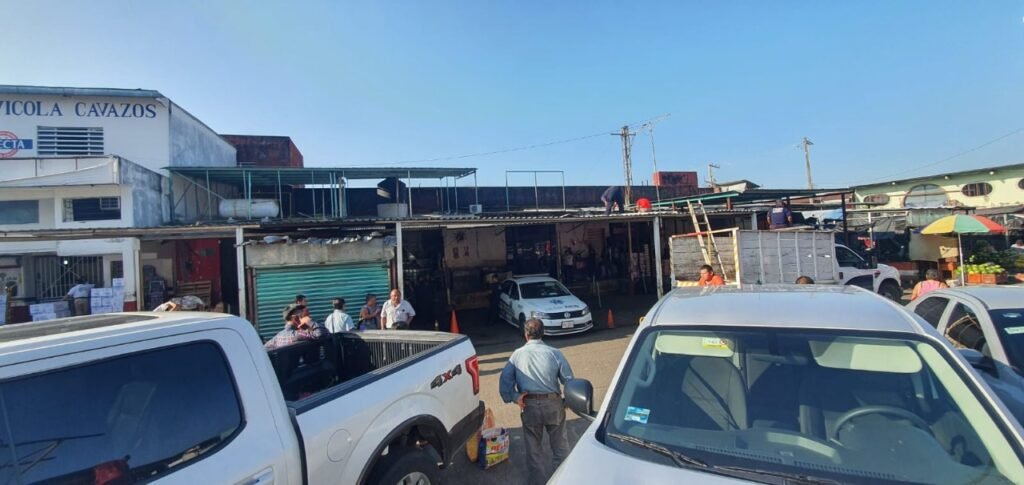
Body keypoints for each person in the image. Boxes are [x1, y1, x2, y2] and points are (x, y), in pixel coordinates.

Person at [499, 319, 574, 485]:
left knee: (534, 451)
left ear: (526, 334)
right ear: (543, 333)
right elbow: (569, 380)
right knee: (561, 447)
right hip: (553, 404)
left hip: (529, 405)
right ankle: (563, 480)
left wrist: (514, 397)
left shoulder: (516, 355)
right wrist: (568, 400)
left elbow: (505, 382)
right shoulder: (554, 353)